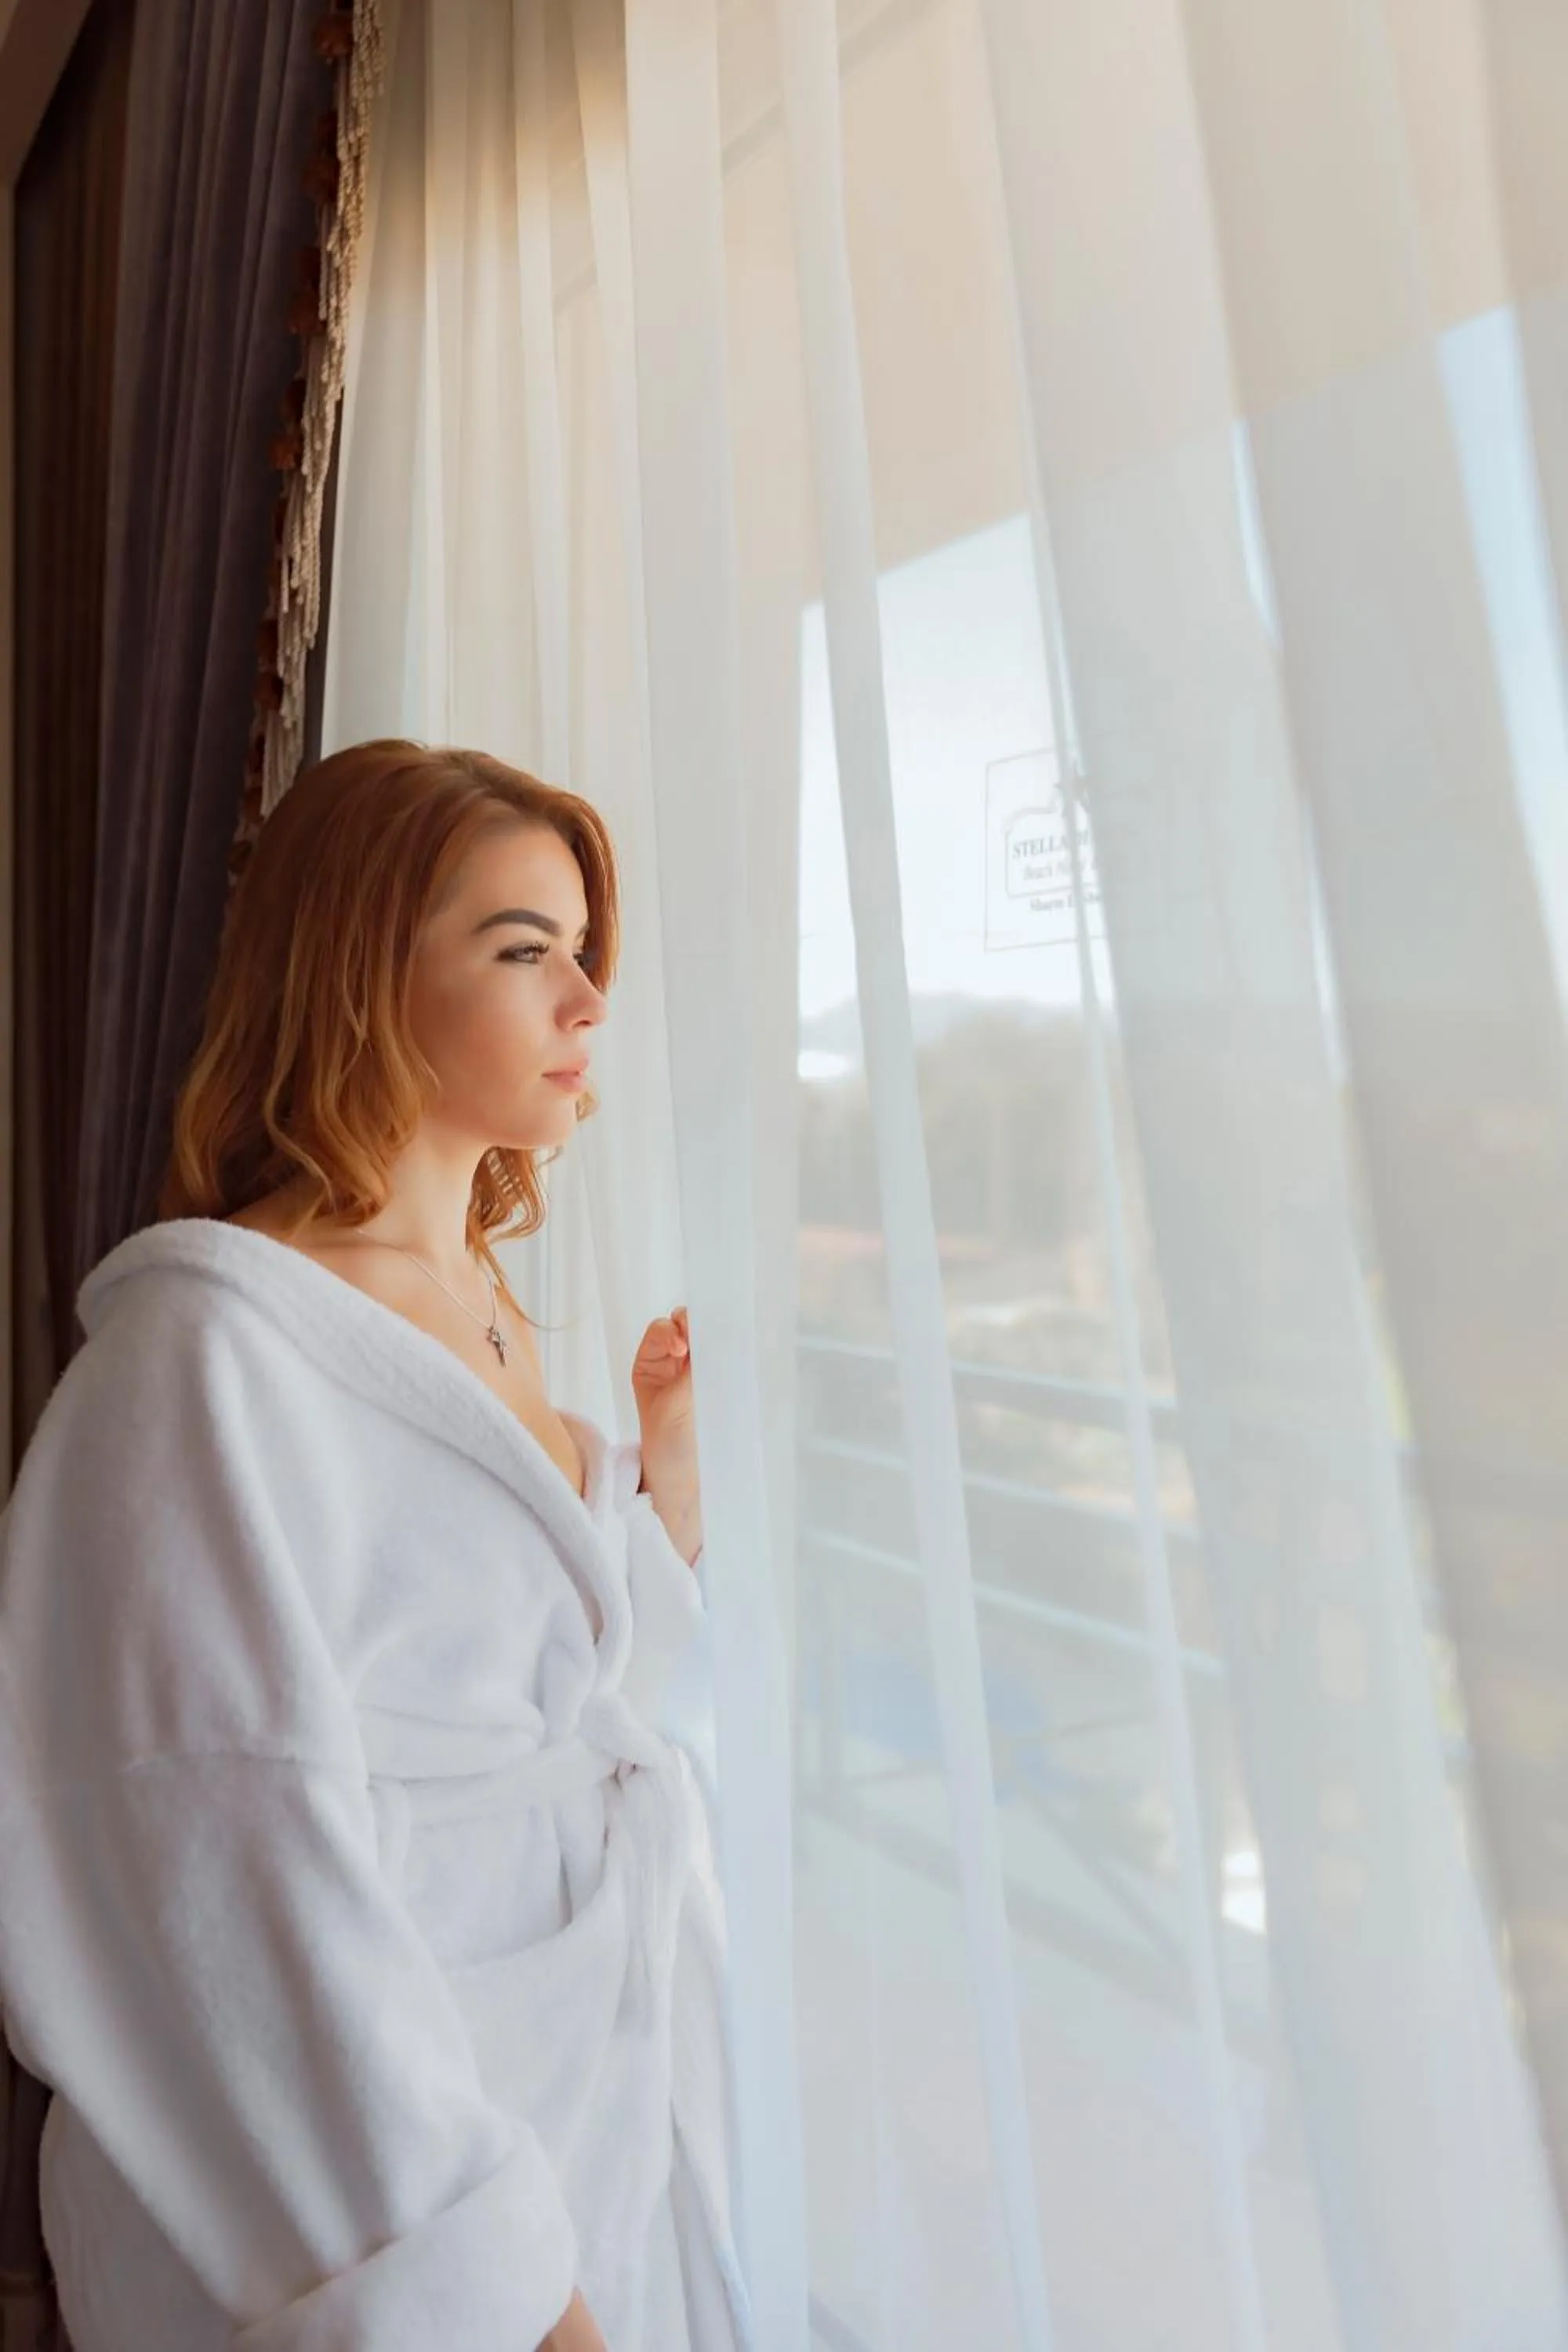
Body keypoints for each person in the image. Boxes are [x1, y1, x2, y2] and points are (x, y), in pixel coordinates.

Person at [0, 740, 753, 2351]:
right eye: (523, 950)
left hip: (567, 2060)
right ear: (358, 976)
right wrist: (481, 2278)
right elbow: (222, 1847)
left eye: (584, 954)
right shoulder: (206, 1359)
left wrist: (647, 1493)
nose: (587, 1004)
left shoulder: (486, 1306)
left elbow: (538, 1683)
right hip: (351, 2151)